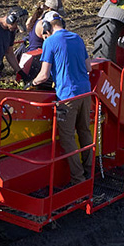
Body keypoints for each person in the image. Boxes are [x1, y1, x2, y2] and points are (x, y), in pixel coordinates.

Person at [32, 11, 93, 185]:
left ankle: (78, 179)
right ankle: (90, 172)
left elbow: (44, 75)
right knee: (84, 131)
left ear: (46, 26)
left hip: (67, 97)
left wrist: (31, 83)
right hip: (86, 93)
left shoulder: (50, 42)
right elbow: (89, 68)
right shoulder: (77, 38)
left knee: (67, 138)